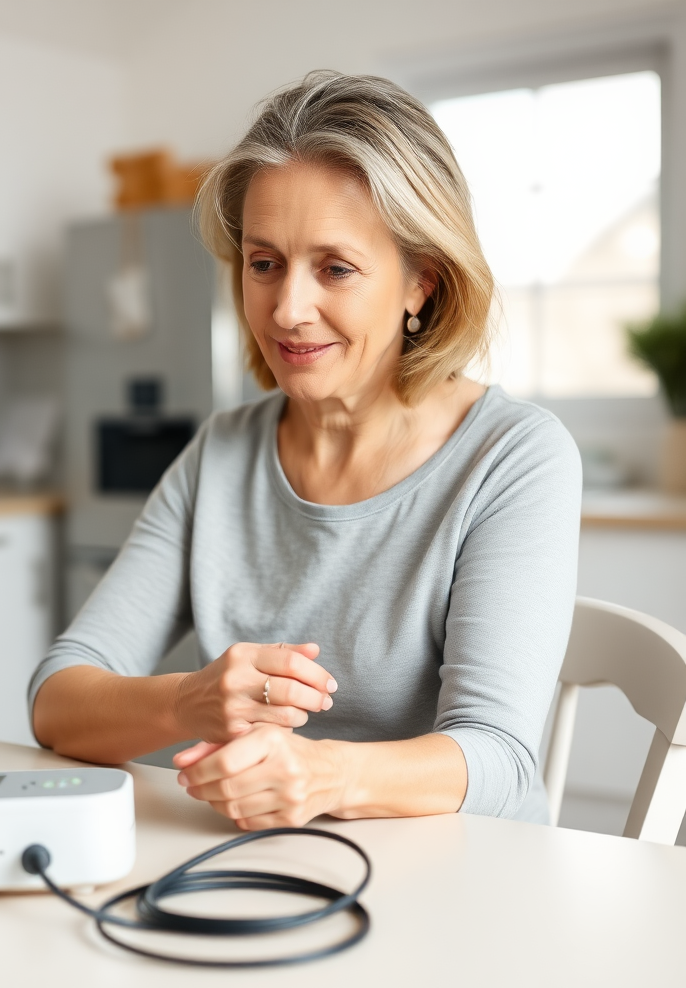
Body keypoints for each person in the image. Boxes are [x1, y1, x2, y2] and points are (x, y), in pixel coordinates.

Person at [29, 71, 581, 830]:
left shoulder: (513, 457)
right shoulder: (220, 456)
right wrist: (189, 699)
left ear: (422, 280)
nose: (287, 309)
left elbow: (500, 757)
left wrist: (324, 775)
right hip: (270, 873)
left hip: (467, 892)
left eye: (336, 268)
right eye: (264, 263)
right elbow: (57, 700)